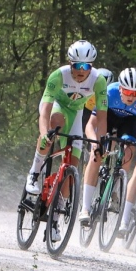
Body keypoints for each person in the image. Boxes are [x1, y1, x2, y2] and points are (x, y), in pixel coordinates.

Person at [27, 41, 110, 209]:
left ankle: (59, 208)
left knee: (72, 164)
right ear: (70, 63)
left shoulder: (98, 80)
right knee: (53, 126)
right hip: (57, 106)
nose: (81, 70)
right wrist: (44, 133)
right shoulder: (59, 75)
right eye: (77, 65)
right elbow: (45, 111)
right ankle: (34, 174)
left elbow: (102, 118)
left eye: (86, 66)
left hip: (76, 112)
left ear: (92, 66)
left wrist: (100, 143)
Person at [106, 67, 136, 219]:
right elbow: (98, 119)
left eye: (135, 93)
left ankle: (115, 189)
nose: (131, 96)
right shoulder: (110, 91)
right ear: (120, 88)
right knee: (102, 147)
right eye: (127, 91)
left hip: (129, 121)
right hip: (109, 116)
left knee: (129, 151)